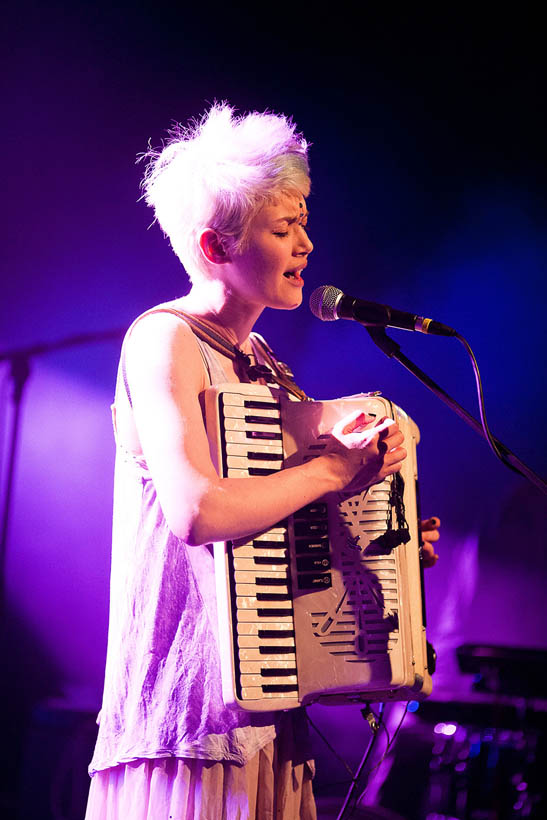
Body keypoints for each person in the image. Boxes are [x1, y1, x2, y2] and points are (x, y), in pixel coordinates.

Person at [85, 103, 440, 820]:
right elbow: (198, 511)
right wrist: (333, 473)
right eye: (283, 229)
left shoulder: (265, 366)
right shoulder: (164, 340)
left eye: (303, 222)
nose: (306, 244)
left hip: (269, 712)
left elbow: (282, 531)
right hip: (187, 721)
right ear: (217, 246)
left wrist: (383, 550)